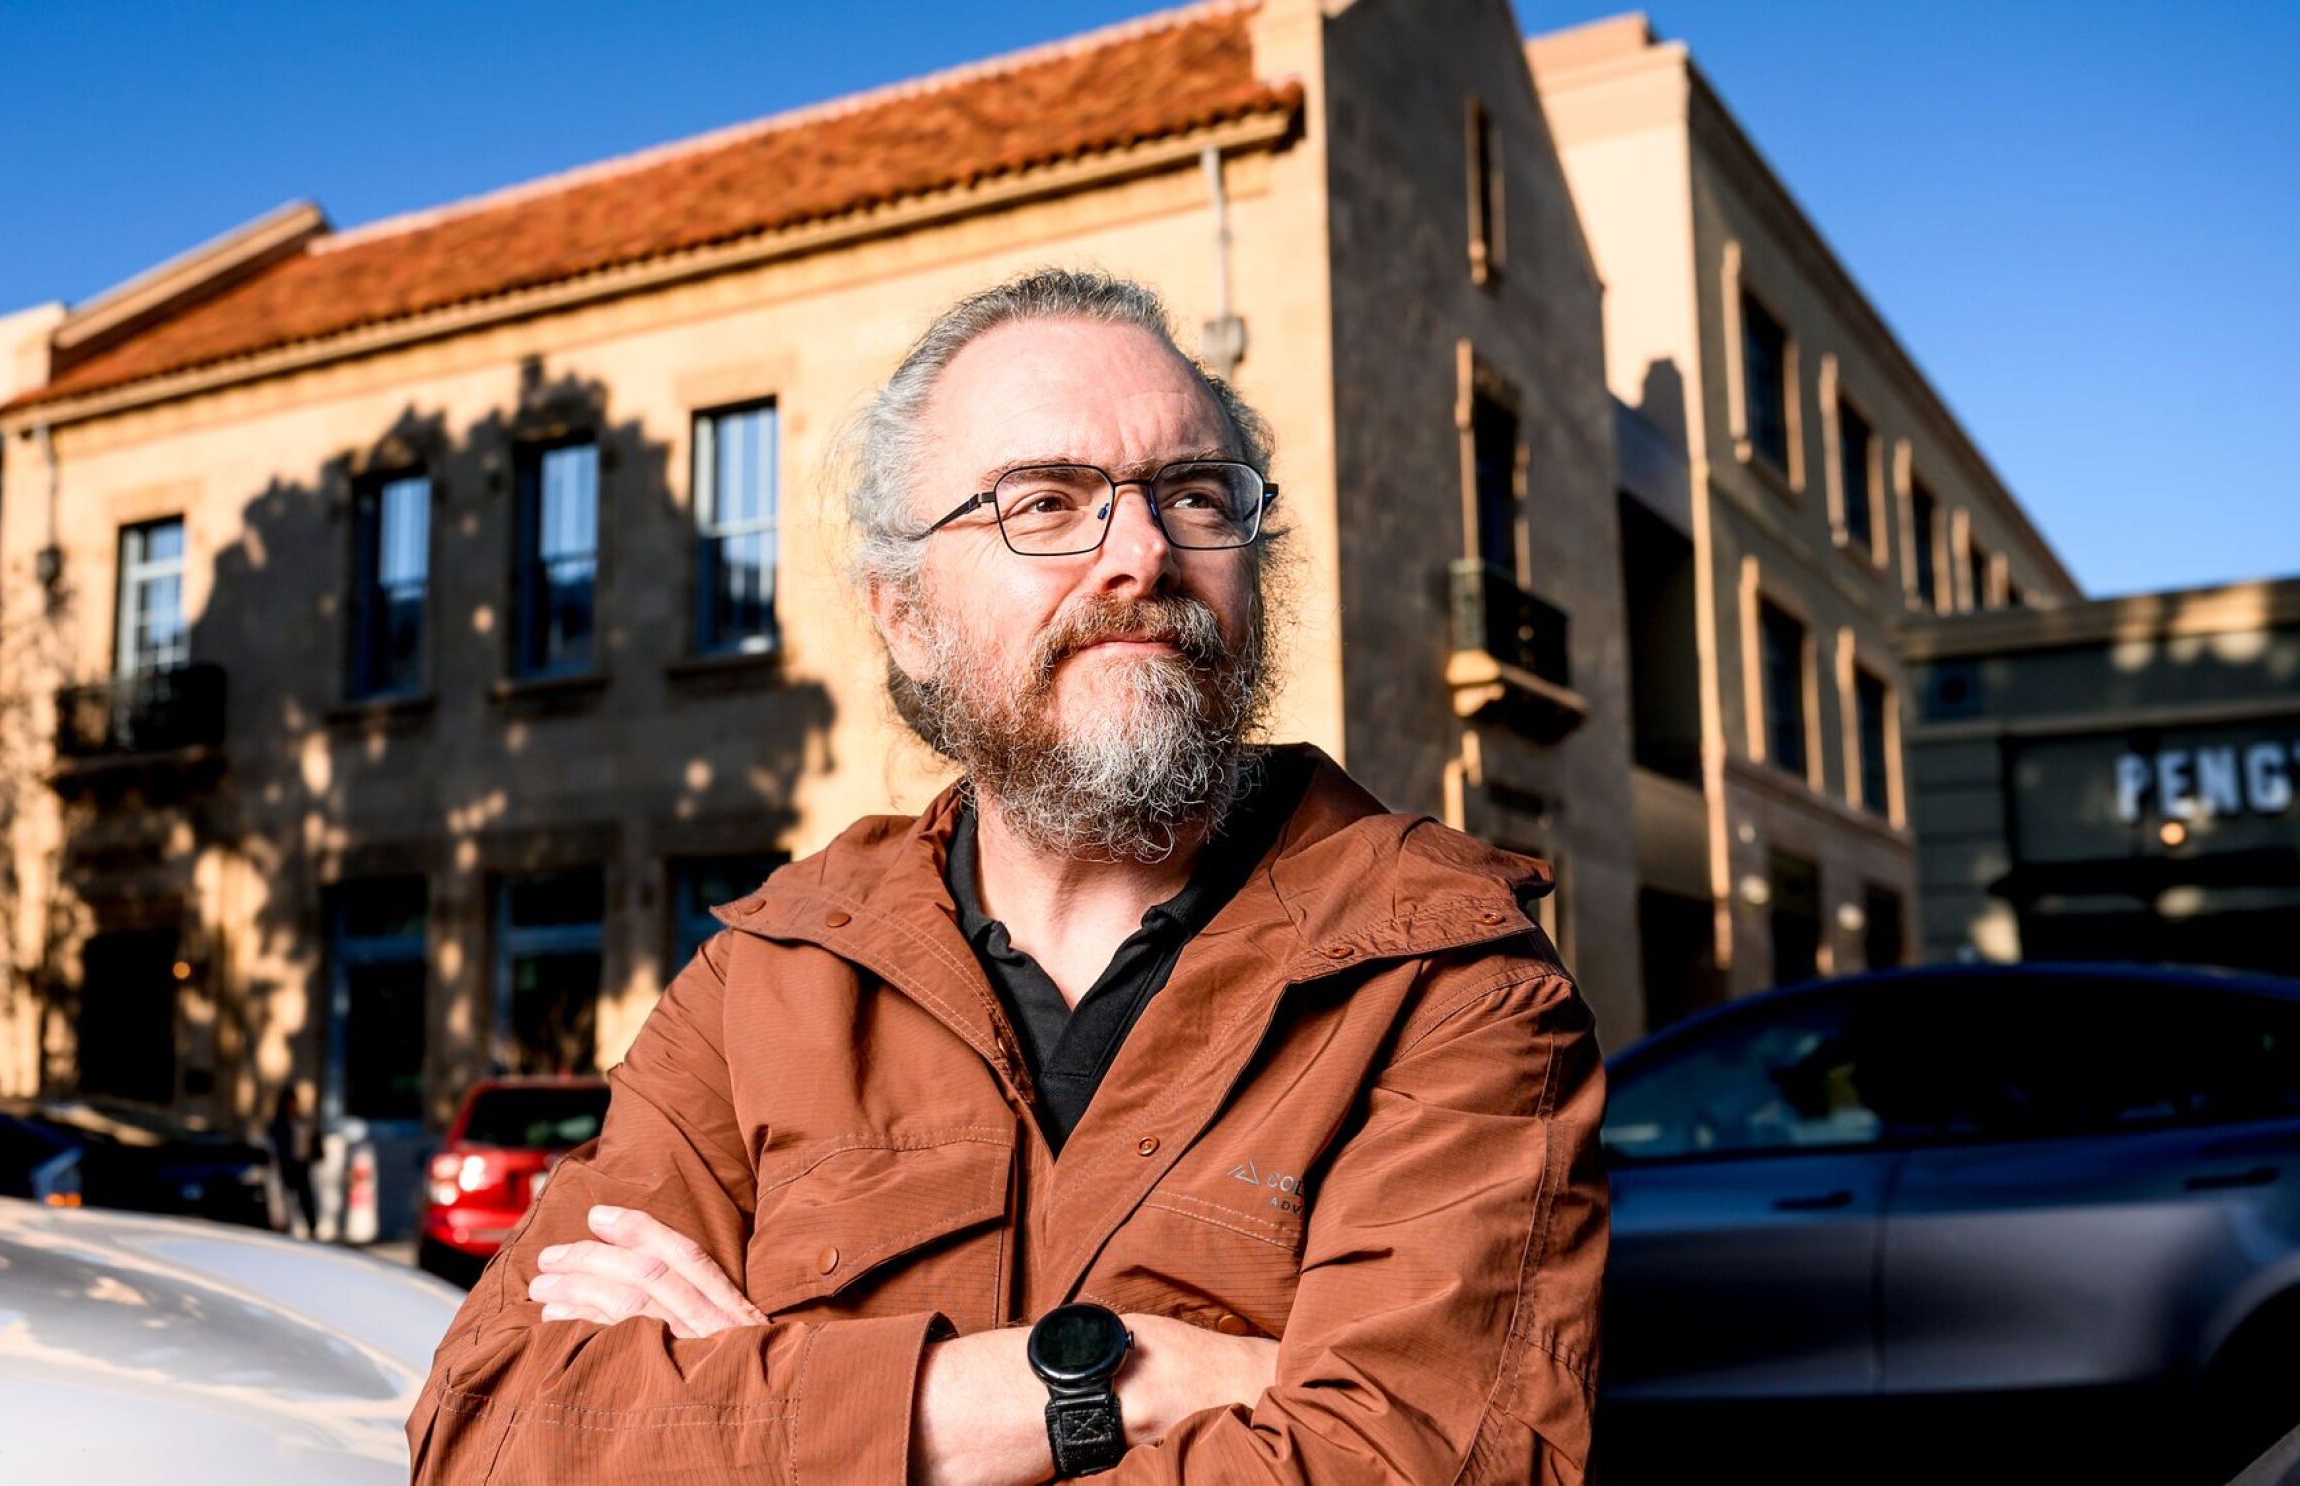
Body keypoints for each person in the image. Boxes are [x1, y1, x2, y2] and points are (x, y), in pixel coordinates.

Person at [406, 268, 1607, 1483]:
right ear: (906, 616)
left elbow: (1435, 1466)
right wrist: (1100, 1385)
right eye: (1045, 501)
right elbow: (488, 1434)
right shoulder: (763, 985)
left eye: (1194, 496)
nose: (1140, 553)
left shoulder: (1447, 979)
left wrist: (783, 1408)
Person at [266, 1082, 319, 1240]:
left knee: (306, 1197)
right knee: (286, 1198)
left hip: (301, 1164)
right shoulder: (279, 1123)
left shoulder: (300, 1120)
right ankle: (286, 1228)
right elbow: (276, 1145)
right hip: (286, 1165)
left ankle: (311, 1228)